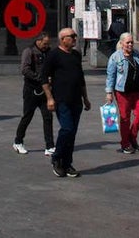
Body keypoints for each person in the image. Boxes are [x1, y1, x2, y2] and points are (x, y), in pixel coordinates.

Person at [41, 28, 91, 178]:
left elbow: (81, 78)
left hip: (76, 100)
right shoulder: (53, 55)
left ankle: (67, 163)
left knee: (72, 133)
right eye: (72, 36)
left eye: (75, 36)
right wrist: (49, 98)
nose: (75, 38)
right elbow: (44, 78)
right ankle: (56, 158)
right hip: (61, 100)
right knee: (67, 129)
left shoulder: (76, 55)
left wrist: (86, 98)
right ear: (63, 39)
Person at [104, 31, 139, 153]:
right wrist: (109, 92)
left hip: (138, 91)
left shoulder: (137, 54)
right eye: (128, 42)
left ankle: (132, 136)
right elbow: (111, 76)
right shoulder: (115, 57)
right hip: (122, 92)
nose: (130, 44)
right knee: (125, 118)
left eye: (132, 42)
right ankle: (125, 143)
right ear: (121, 43)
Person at [13, 32, 55, 156]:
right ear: (38, 41)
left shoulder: (49, 52)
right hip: (31, 89)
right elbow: (25, 69)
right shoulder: (29, 51)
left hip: (45, 90)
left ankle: (50, 145)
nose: (46, 46)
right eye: (45, 43)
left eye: (48, 44)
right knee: (27, 116)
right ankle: (18, 141)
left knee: (48, 117)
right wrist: (40, 78)